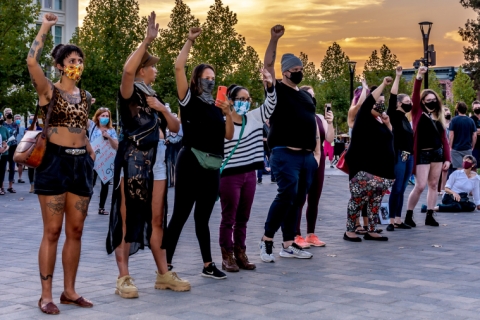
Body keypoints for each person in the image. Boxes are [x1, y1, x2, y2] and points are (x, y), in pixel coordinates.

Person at [106, 12, 190, 298]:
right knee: (128, 218)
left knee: (157, 219)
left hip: (158, 163)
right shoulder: (129, 93)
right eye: (152, 67)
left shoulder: (153, 98)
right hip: (133, 161)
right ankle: (124, 277)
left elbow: (176, 127)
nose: (156, 70)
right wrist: (147, 40)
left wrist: (163, 109)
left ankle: (163, 273)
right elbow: (126, 72)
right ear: (143, 70)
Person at [27, 13, 95, 314]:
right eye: (70, 60)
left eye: (79, 60)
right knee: (52, 231)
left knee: (76, 231)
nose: (76, 65)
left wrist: (91, 151)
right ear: (59, 65)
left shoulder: (87, 96)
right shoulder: (49, 90)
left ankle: (69, 291)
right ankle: (46, 294)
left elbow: (81, 131)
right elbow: (31, 62)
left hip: (80, 166)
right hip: (54, 162)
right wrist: (46, 27)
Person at [163, 26, 233, 279]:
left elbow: (228, 136)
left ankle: (207, 265)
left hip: (212, 166)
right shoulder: (188, 100)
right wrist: (189, 41)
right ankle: (166, 265)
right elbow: (178, 67)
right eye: (206, 77)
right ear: (196, 80)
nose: (210, 81)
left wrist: (227, 113)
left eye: (213, 78)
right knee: (181, 214)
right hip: (191, 162)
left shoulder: (217, 107)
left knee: (203, 218)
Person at [259, 25, 320, 262]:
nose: (298, 72)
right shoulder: (277, 91)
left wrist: (315, 155)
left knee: (297, 199)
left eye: (300, 69)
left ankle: (288, 243)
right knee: (286, 195)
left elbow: (312, 125)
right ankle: (266, 241)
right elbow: (268, 65)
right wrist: (274, 39)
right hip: (285, 153)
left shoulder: (305, 96)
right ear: (285, 72)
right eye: (294, 70)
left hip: (307, 157)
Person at [216, 70, 277, 272]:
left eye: (248, 98)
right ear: (231, 101)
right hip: (230, 175)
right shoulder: (223, 120)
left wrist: (269, 87)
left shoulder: (254, 117)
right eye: (241, 99)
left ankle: (240, 252)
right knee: (229, 218)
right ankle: (227, 255)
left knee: (243, 217)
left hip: (250, 174)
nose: (245, 102)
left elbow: (271, 105)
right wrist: (226, 115)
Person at [343, 77, 395, 242]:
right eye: (377, 102)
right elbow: (368, 102)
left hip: (382, 172)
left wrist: (387, 123)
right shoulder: (362, 119)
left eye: (382, 102)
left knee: (375, 201)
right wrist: (384, 85)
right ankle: (350, 230)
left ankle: (371, 229)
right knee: (358, 200)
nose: (380, 105)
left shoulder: (379, 122)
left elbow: (390, 138)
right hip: (363, 170)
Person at [405, 66, 451, 227]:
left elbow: (444, 139)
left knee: (433, 185)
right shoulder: (418, 112)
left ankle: (430, 215)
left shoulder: (438, 115)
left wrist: (447, 158)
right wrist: (418, 77)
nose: (432, 101)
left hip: (437, 154)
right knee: (420, 185)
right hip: (422, 155)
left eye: (434, 99)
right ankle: (409, 214)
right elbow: (415, 95)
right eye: (428, 99)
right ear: (423, 101)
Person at [294, 85, 334, 248]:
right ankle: (295, 234)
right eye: (309, 95)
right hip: (303, 158)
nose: (312, 98)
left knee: (314, 198)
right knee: (299, 199)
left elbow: (330, 140)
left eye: (314, 95)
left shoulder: (319, 117)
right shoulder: (296, 115)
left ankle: (311, 233)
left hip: (319, 160)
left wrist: (330, 122)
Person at [386, 67, 414, 231]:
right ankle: (390, 221)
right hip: (398, 155)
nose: (409, 103)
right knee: (396, 188)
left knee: (403, 188)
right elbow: (393, 95)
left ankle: (398, 219)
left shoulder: (404, 118)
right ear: (398, 103)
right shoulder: (393, 115)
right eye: (407, 101)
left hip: (408, 156)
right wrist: (397, 76)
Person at [88, 108, 118, 215]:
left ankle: (101, 207)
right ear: (97, 117)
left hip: (106, 160)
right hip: (93, 160)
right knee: (90, 184)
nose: (105, 118)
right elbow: (83, 119)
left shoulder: (111, 130)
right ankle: (85, 207)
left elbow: (116, 146)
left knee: (104, 184)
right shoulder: (92, 127)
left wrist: (109, 137)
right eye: (103, 115)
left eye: (107, 116)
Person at [448, 102, 476, 172]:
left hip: (456, 149)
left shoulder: (454, 120)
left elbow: (451, 135)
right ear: (466, 110)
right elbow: (474, 135)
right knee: (468, 169)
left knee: (459, 170)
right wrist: (472, 146)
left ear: (457, 110)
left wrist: (450, 146)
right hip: (467, 148)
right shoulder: (471, 121)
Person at [2, 108, 19, 193]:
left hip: (13, 147)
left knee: (12, 167)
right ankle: (1, 187)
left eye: (10, 113)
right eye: (7, 113)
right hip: (4, 147)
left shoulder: (15, 124)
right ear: (4, 115)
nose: (9, 114)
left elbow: (16, 134)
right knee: (3, 167)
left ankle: (10, 186)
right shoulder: (3, 125)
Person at [26, 115, 43, 193]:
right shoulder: (27, 129)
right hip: (30, 150)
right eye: (30, 119)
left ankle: (38, 184)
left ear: (36, 120)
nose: (31, 120)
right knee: (30, 168)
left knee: (39, 168)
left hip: (38, 150)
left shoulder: (40, 129)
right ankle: (32, 185)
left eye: (33, 119)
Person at [439, 107, 453, 194]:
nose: (447, 114)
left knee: (445, 170)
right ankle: (439, 187)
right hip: (441, 148)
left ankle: (443, 188)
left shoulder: (452, 124)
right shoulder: (440, 124)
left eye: (448, 113)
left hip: (449, 148)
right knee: (439, 170)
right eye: (446, 113)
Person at [14, 114, 26, 184]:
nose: (18, 120)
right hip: (12, 147)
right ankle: (11, 178)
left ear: (20, 120)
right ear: (14, 119)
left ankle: (20, 178)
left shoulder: (23, 129)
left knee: (20, 163)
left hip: (20, 147)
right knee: (11, 163)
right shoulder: (11, 128)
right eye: (16, 119)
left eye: (19, 118)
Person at [0, 117, 10, 195]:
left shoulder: (5, 129)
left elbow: (9, 141)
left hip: (4, 153)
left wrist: (5, 148)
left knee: (2, 171)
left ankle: (1, 187)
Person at [471, 101, 480, 166]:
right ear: (472, 109)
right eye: (475, 108)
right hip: (475, 146)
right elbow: (471, 131)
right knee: (474, 165)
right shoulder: (471, 119)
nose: (477, 109)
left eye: (479, 107)